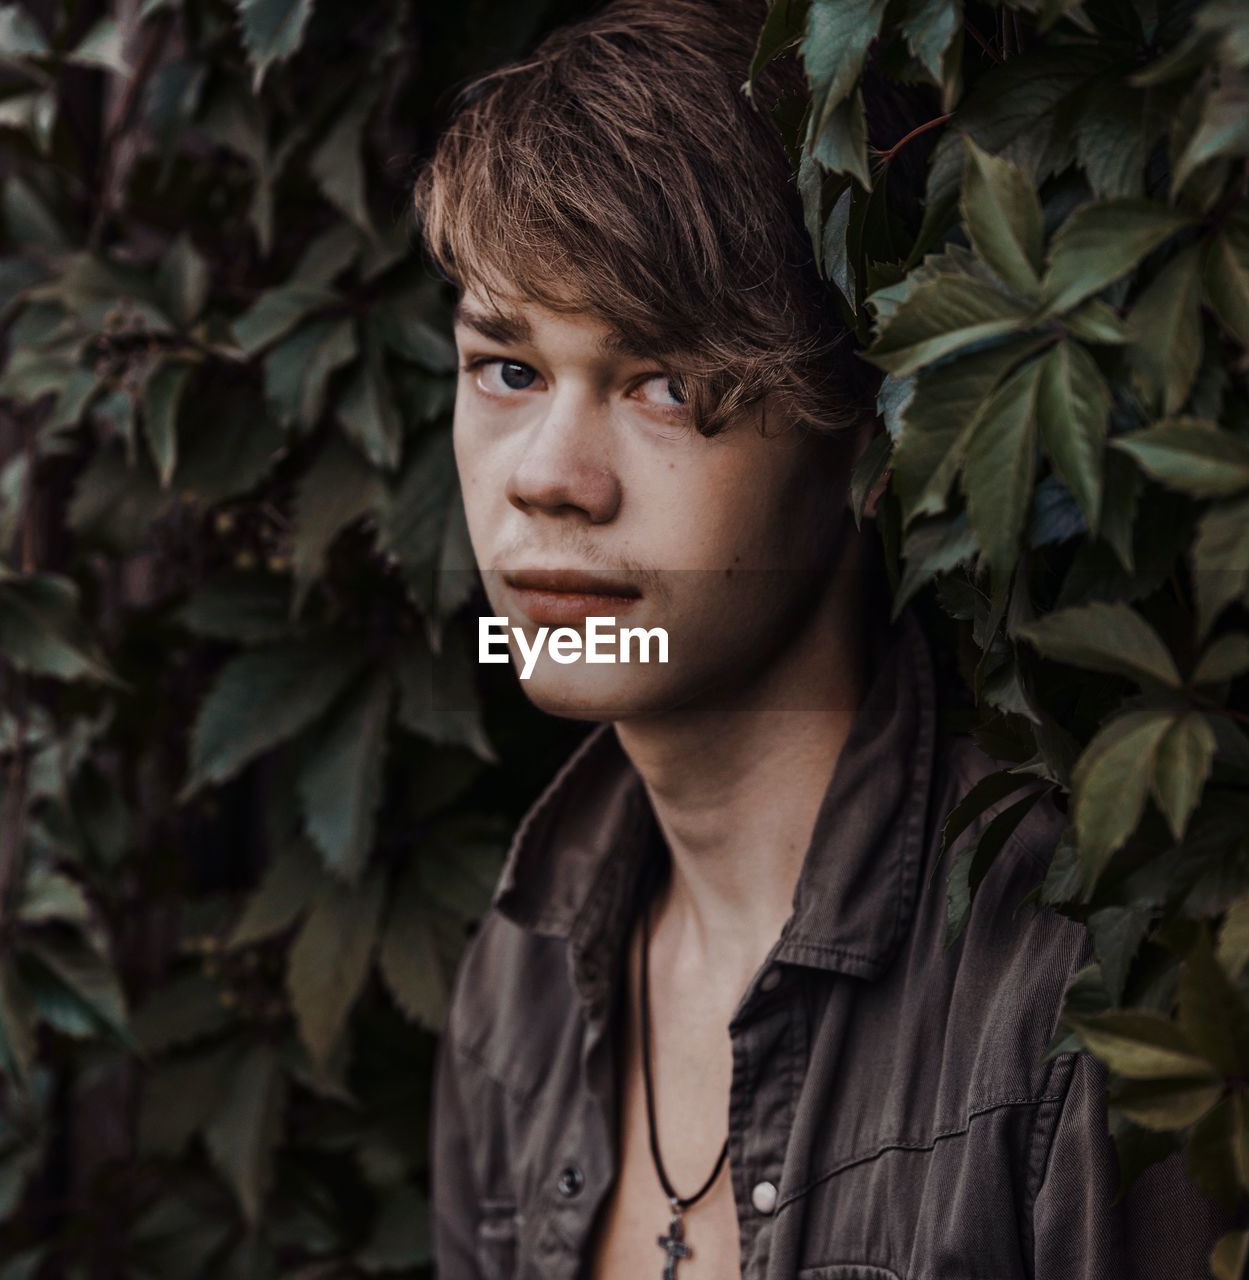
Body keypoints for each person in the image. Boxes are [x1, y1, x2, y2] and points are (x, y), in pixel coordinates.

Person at [412, 1, 1227, 1276]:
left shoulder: (1071, 997)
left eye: (667, 383)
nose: (549, 480)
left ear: (862, 432)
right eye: (507, 369)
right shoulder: (516, 989)